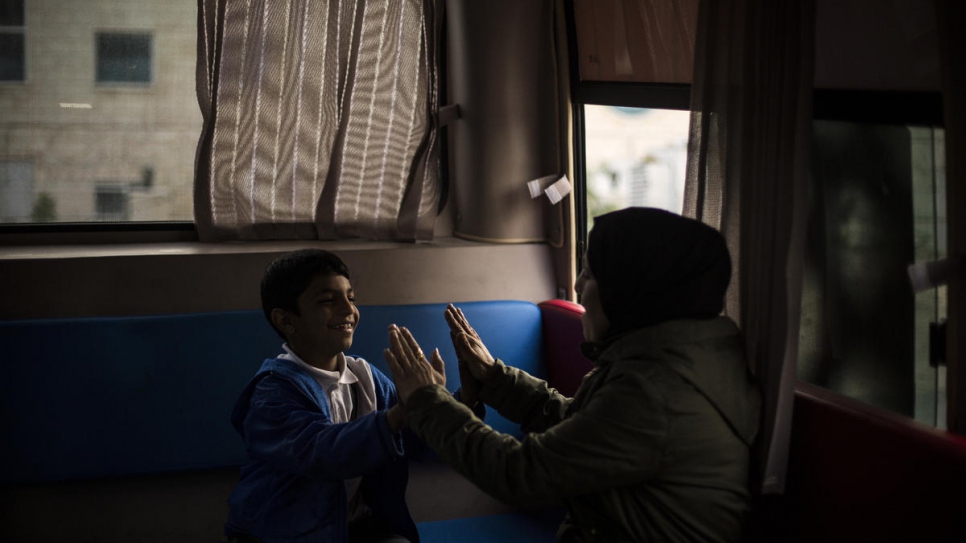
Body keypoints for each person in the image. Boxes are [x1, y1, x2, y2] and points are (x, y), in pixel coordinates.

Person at [383, 207, 762, 543]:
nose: (578, 286)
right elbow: (581, 429)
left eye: (589, 274)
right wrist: (494, 377)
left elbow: (518, 473)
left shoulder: (656, 392)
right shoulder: (674, 361)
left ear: (631, 292)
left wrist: (426, 399)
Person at [225, 249, 437, 543]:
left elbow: (412, 437)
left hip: (355, 529)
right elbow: (323, 453)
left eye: (351, 297)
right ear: (286, 320)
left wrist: (454, 400)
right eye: (328, 300)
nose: (348, 309)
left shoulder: (366, 378)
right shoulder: (271, 394)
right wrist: (400, 412)